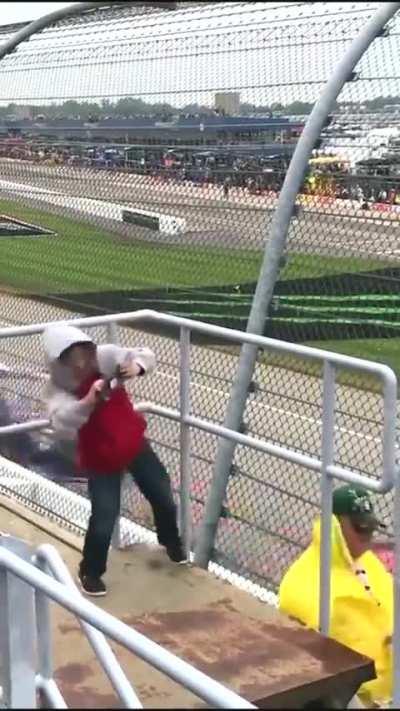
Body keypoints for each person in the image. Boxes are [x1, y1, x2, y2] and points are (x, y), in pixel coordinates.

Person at [42, 324, 187, 597]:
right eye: (72, 357)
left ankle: (170, 541)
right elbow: (62, 421)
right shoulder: (57, 389)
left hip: (133, 443)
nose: (81, 362)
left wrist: (137, 367)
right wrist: (87, 401)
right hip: (100, 458)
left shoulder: (107, 356)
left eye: (82, 352)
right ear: (60, 361)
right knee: (104, 517)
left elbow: (145, 355)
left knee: (163, 495)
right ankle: (91, 571)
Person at [279, 485, 393, 708]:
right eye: (360, 529)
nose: (368, 537)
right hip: (347, 694)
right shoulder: (304, 585)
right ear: (334, 527)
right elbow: (310, 671)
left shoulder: (368, 563)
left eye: (371, 529)